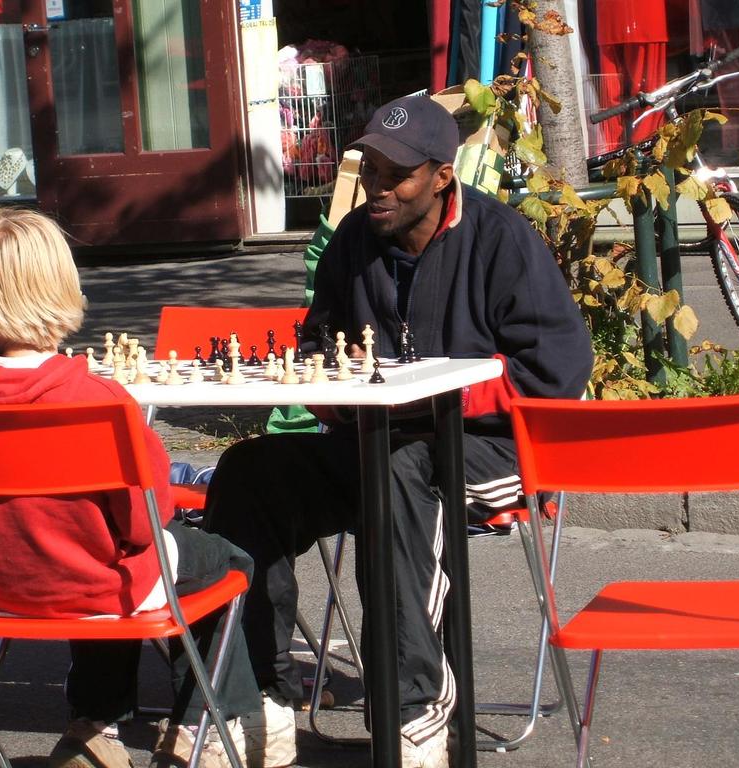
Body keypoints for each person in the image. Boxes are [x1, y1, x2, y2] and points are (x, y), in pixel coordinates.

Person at [202, 94, 593, 768]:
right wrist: (332, 390)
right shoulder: (354, 240)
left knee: (403, 468)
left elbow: (555, 371)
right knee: (249, 472)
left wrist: (433, 395)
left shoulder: (502, 240)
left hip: (500, 448)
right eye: (371, 168)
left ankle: (415, 710)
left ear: (442, 177)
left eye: (397, 175)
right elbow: (323, 343)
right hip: (377, 443)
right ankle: (260, 698)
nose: (378, 187)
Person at [0, 207, 293, 768]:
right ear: (59, 284)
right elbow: (145, 521)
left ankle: (93, 724)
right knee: (217, 557)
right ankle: (217, 723)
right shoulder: (95, 402)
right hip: (93, 581)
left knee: (93, 549)